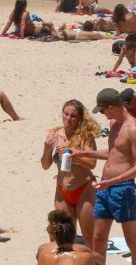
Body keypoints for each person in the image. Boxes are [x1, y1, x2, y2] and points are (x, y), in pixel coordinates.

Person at [77, 87, 136, 265]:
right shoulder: (114, 124)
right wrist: (82, 153)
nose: (103, 115)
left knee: (131, 240)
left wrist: (113, 181)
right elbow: (112, 153)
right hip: (105, 188)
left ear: (111, 107)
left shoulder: (134, 128)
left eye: (104, 111)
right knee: (98, 238)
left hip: (123, 189)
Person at [42, 99, 99, 246]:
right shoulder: (54, 134)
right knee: (62, 235)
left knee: (88, 235)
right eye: (66, 114)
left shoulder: (85, 136)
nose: (68, 118)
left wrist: (74, 155)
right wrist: (47, 148)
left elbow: (92, 163)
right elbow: (45, 165)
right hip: (62, 190)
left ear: (80, 118)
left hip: (83, 188)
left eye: (73, 116)